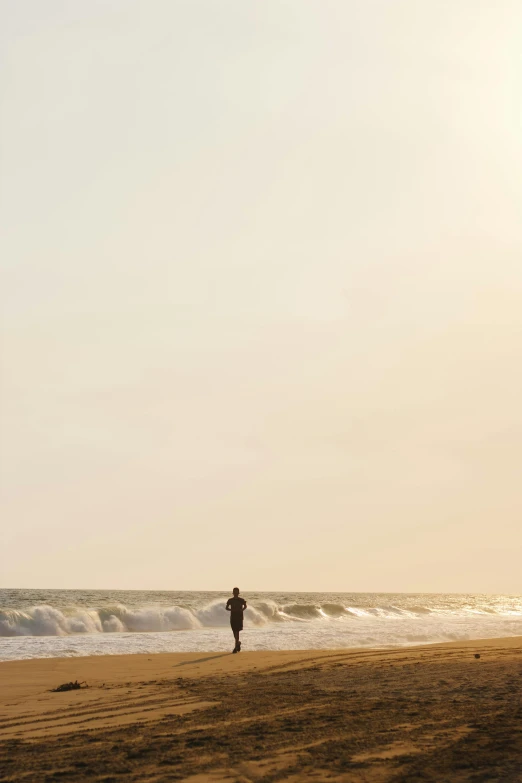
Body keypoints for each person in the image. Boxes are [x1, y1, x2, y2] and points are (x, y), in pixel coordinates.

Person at [226, 587, 247, 653]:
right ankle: (238, 643)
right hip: (233, 617)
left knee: (237, 631)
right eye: (234, 592)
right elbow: (226, 608)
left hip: (239, 617)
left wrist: (242, 609)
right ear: (233, 593)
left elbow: (245, 606)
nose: (235, 594)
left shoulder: (241, 600)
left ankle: (235, 647)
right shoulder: (230, 600)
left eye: (236, 592)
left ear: (238, 593)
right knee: (234, 631)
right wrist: (231, 610)